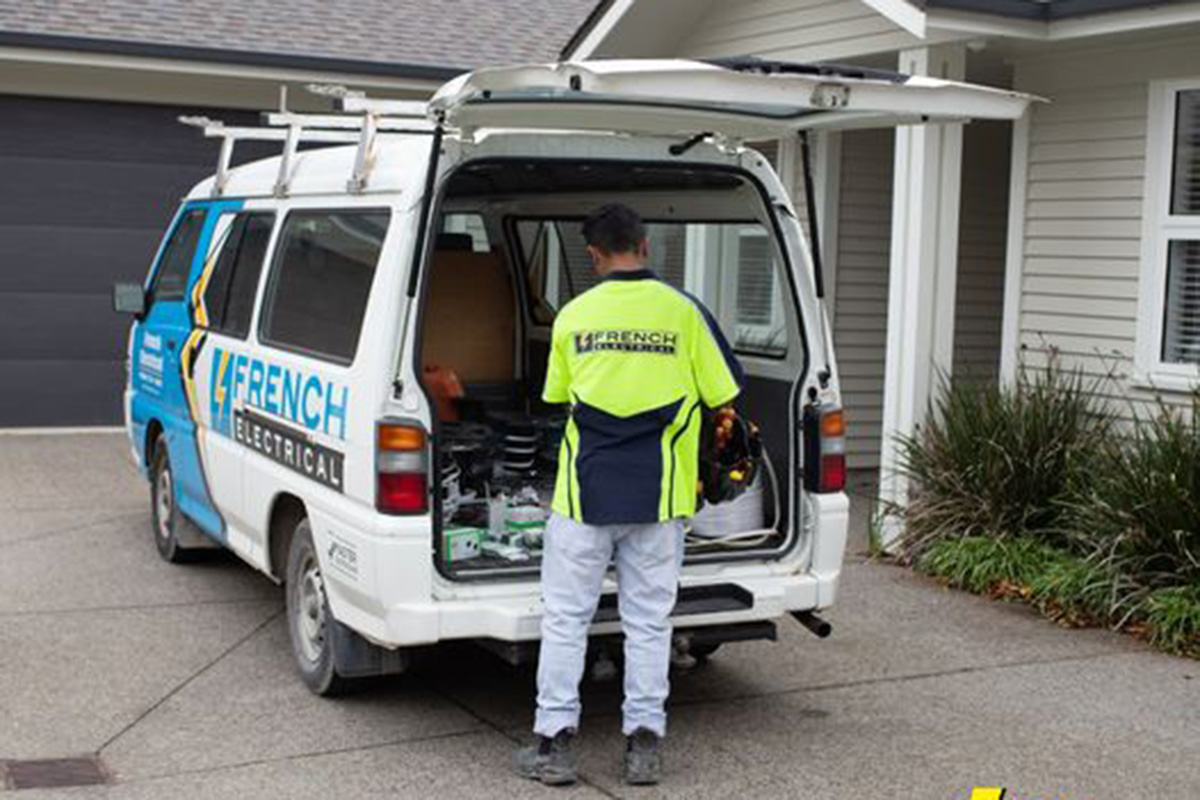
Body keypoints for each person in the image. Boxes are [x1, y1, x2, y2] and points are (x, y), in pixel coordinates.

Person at [514, 203, 743, 786]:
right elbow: (722, 397)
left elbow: (559, 397)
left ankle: (555, 745)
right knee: (648, 622)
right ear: (645, 247)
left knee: (566, 619)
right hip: (661, 500)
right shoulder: (684, 313)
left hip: (583, 496)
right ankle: (643, 746)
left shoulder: (572, 316)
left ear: (593, 257)